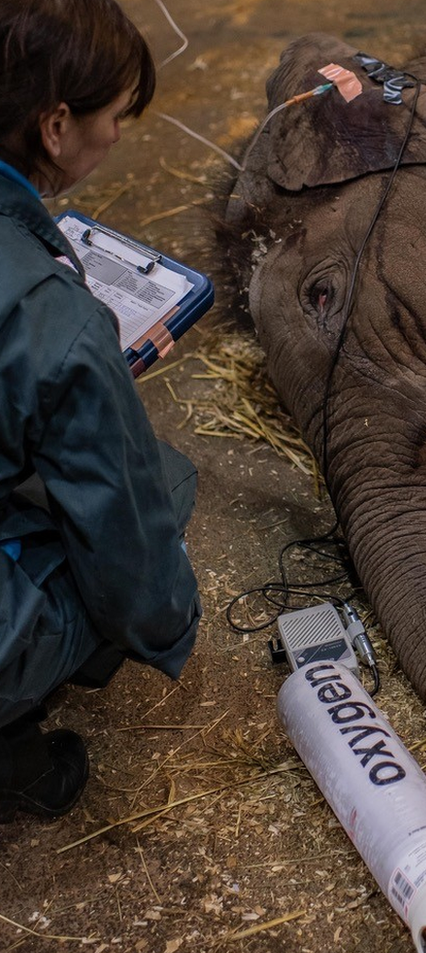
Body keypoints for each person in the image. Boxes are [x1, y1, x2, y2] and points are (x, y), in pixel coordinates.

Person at [0, 0, 201, 820]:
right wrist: (170, 620)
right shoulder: (61, 325)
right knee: (166, 482)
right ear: (54, 127)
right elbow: (129, 546)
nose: (120, 134)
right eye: (117, 115)